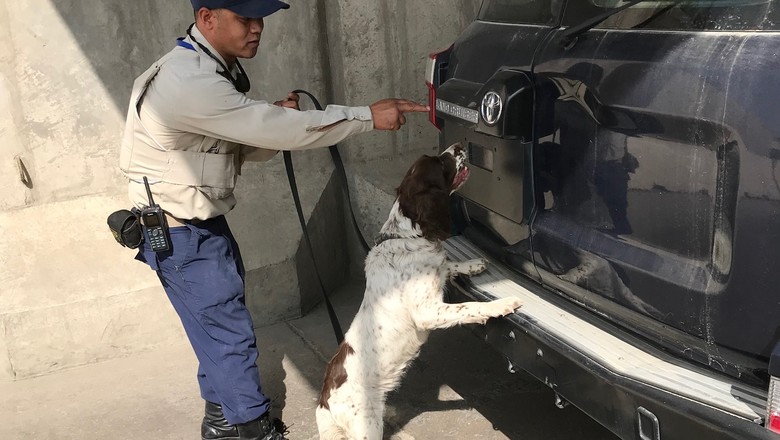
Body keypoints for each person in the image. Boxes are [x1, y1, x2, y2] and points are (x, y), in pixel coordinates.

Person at [118, 1, 428, 439]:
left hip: (194, 225)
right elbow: (278, 130)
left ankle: (222, 422)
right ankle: (252, 429)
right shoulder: (188, 80)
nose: (257, 28)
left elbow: (242, 142)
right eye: (244, 18)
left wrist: (277, 120)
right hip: (181, 231)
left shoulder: (201, 67)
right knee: (228, 335)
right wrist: (366, 117)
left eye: (259, 18)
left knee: (215, 329)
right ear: (207, 18)